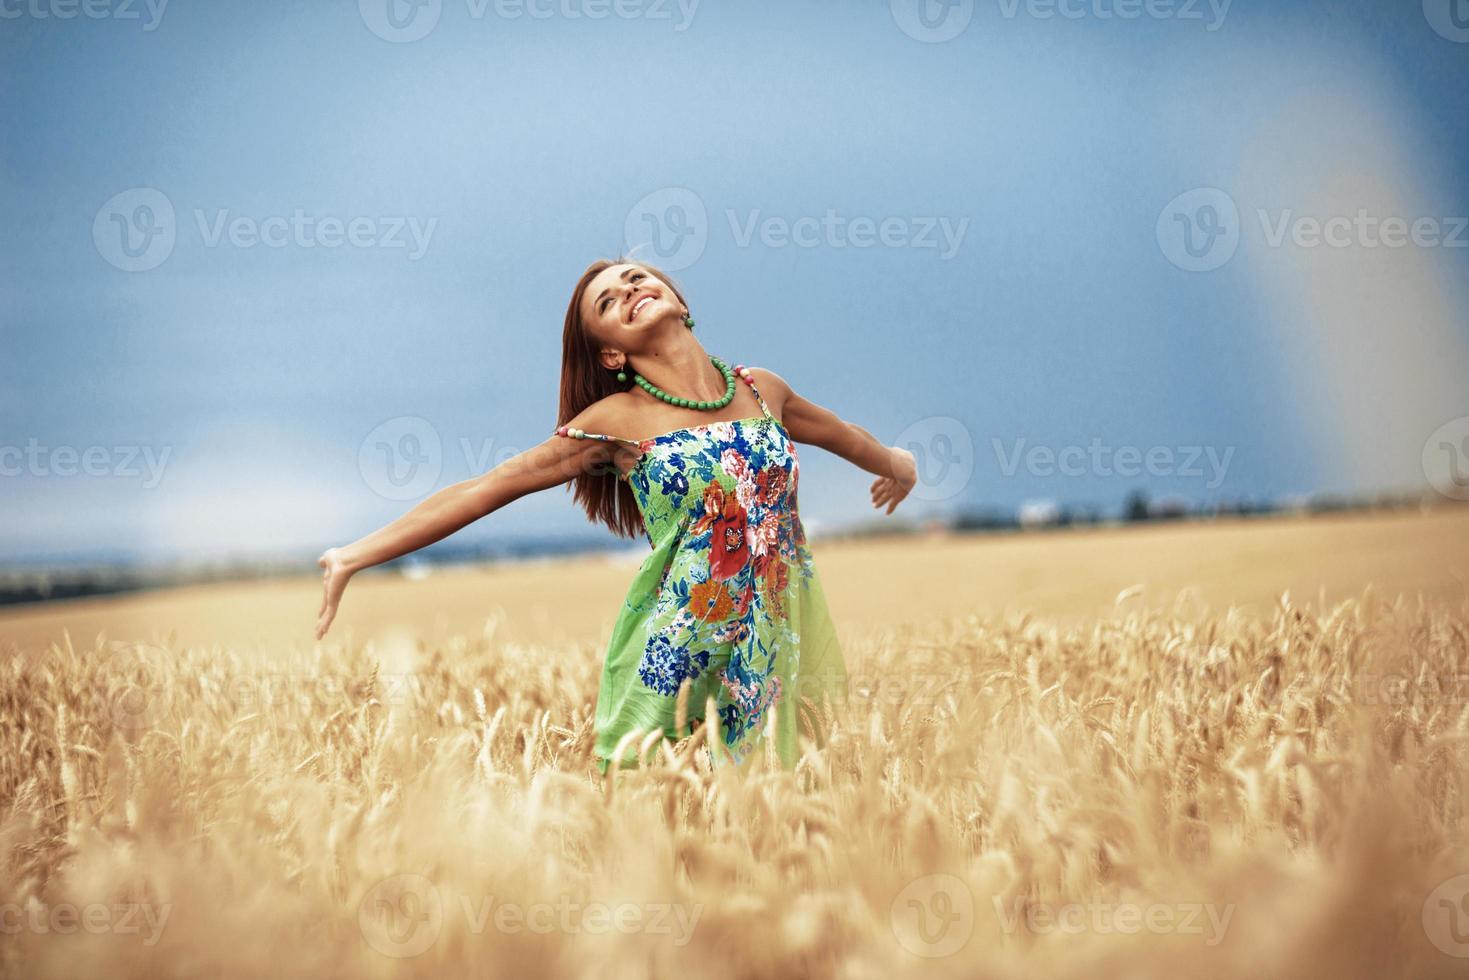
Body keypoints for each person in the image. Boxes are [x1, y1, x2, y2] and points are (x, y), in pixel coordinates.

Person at [314, 258, 918, 771]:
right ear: (609, 353)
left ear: (678, 298)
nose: (630, 289)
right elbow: (486, 488)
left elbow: (843, 434)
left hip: (774, 646)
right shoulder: (614, 422)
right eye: (609, 300)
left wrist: (896, 463)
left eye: (637, 278)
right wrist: (354, 554)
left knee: (786, 819)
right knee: (660, 816)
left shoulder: (762, 390)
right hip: (679, 654)